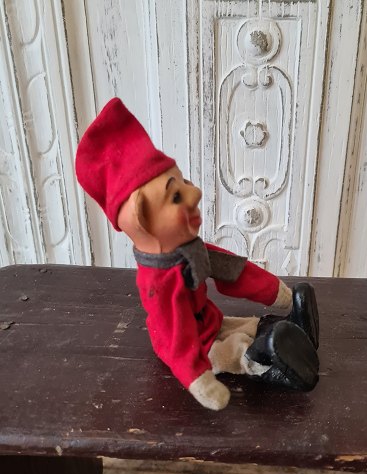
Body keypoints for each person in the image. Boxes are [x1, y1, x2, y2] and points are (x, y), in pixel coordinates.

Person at [76, 98, 319, 410]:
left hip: (210, 321)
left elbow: (233, 271)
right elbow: (175, 338)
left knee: (248, 325)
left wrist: (276, 292)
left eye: (185, 183)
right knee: (236, 350)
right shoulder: (159, 285)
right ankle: (267, 359)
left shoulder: (191, 250)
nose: (195, 194)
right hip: (195, 347)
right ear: (141, 219)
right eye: (176, 196)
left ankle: (289, 330)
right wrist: (199, 381)